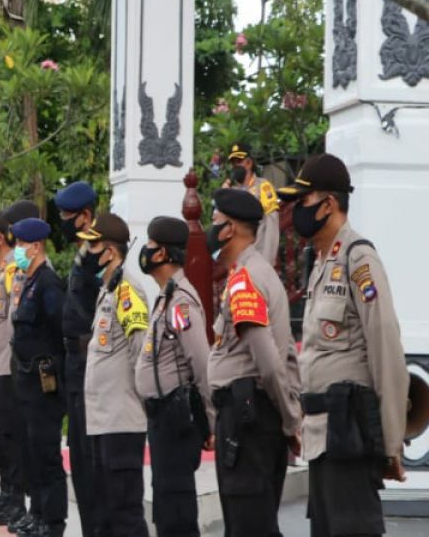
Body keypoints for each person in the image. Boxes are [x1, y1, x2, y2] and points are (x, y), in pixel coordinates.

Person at [277, 154, 409, 537]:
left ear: (328, 204)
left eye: (302, 202)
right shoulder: (320, 263)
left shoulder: (358, 258)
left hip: (350, 436)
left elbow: (386, 350)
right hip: (323, 437)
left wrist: (390, 444)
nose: (296, 212)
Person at [206, 187, 302, 537]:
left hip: (248, 420)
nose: (211, 228)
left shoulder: (245, 280)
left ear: (229, 229)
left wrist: (291, 421)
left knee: (249, 525)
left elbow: (270, 361)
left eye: (215, 221)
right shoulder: (253, 273)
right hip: (251, 417)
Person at [134, 216, 214, 537]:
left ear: (164, 254)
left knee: (177, 509)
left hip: (176, 416)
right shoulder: (165, 297)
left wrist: (209, 419)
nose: (145, 252)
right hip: (161, 417)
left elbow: (201, 362)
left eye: (151, 247)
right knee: (166, 507)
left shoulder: (181, 302)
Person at [78, 213, 148, 537]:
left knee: (125, 516)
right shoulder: (107, 291)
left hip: (122, 420)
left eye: (93, 245)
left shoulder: (127, 291)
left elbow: (139, 351)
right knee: (105, 514)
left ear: (110, 250)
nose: (88, 251)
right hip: (102, 420)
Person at [0, 200, 36, 526]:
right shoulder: (3, 268)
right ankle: (7, 494)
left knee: (12, 436)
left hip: (8, 366)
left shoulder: (15, 268)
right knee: (2, 434)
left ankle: (16, 498)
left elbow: (16, 319)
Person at [8, 216, 66, 537]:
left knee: (46, 454)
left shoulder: (47, 284)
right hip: (27, 383)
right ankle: (37, 513)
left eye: (20, 244)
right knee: (31, 452)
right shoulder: (27, 281)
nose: (16, 249)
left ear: (36, 246)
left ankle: (53, 521)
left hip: (45, 384)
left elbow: (60, 332)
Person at [53, 180, 101, 537]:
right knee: (80, 461)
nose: (64, 223)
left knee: (92, 463)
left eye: (69, 217)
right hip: (74, 365)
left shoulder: (100, 254)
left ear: (86, 216)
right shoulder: (84, 252)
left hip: (91, 365)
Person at [224, 143, 280, 263]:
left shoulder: (263, 187)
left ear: (249, 163)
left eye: (239, 161)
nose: (235, 166)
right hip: (237, 257)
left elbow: (272, 225)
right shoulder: (231, 191)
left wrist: (267, 260)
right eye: (233, 162)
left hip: (257, 254)